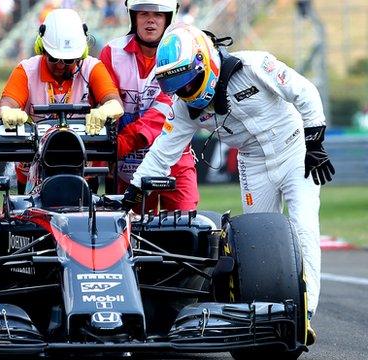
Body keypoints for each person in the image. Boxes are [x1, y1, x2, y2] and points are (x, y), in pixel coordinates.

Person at [122, 23, 335, 345]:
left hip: (295, 154)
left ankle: (303, 315)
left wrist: (315, 142)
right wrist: (134, 190)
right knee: (255, 243)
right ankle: (259, 315)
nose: (184, 90)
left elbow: (304, 91)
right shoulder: (184, 106)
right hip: (253, 164)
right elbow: (162, 151)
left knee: (303, 229)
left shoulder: (255, 65)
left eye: (188, 80)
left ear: (203, 61)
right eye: (176, 85)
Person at [0, 8, 124, 193]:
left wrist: (107, 109)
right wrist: (6, 111)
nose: (61, 65)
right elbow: (6, 103)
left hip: (84, 170)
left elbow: (115, 102)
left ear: (81, 53)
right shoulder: (26, 70)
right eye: (54, 58)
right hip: (34, 172)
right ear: (42, 48)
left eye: (69, 59)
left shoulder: (92, 67)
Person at [99, 0, 198, 212]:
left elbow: (163, 113)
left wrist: (119, 145)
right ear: (133, 17)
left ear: (169, 18)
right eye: (143, 13)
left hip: (174, 159)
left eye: (158, 14)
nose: (150, 20)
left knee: (188, 228)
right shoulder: (111, 53)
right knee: (129, 235)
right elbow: (104, 103)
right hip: (126, 167)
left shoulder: (183, 54)